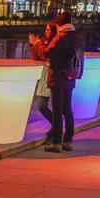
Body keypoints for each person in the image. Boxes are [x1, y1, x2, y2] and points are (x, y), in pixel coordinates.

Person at [43, 12, 78, 152]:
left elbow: (47, 52)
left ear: (60, 25)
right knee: (67, 109)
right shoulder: (76, 36)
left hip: (58, 77)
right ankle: (68, 140)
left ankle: (56, 143)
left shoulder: (61, 36)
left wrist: (37, 43)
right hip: (70, 76)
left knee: (57, 111)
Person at [28, 23, 58, 132]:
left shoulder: (55, 42)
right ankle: (55, 126)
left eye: (49, 30)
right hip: (45, 78)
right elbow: (36, 57)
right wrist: (32, 45)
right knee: (41, 106)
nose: (46, 31)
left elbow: (46, 55)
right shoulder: (44, 41)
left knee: (56, 106)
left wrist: (37, 42)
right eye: (46, 29)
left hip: (54, 77)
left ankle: (56, 129)